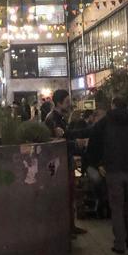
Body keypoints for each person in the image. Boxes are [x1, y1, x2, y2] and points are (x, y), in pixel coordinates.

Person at [87, 95, 128, 254]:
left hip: (113, 171)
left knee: (117, 208)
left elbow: (94, 141)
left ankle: (119, 243)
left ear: (113, 105)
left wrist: (99, 163)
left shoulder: (106, 121)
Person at [45, 89, 88, 236]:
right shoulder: (53, 119)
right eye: (67, 102)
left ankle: (70, 226)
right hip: (59, 163)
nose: (70, 105)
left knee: (70, 193)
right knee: (65, 194)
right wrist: (76, 143)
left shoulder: (59, 118)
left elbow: (66, 136)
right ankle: (66, 228)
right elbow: (56, 142)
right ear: (59, 102)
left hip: (65, 160)